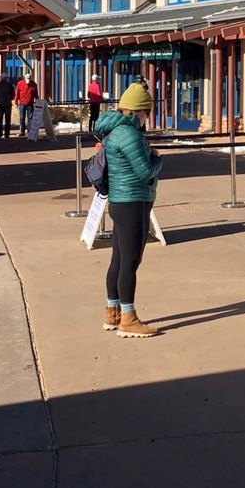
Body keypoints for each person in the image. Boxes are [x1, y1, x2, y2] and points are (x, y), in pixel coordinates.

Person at [93, 82, 163, 338]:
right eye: (146, 112)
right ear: (137, 111)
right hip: (133, 201)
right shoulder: (130, 134)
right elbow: (144, 171)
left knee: (118, 260)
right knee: (130, 262)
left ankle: (112, 312)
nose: (147, 118)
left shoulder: (115, 130)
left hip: (120, 202)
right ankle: (129, 318)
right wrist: (157, 159)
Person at [13, 72, 38, 137]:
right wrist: (16, 102)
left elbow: (36, 94)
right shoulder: (20, 84)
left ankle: (29, 131)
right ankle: (22, 131)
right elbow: (17, 94)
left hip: (30, 103)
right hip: (22, 103)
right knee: (22, 118)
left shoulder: (34, 84)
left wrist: (38, 101)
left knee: (30, 118)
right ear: (24, 78)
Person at [0, 73, 14, 138]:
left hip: (0, 104)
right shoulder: (10, 85)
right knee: (7, 120)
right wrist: (9, 99)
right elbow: (13, 95)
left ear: (1, 78)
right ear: (6, 78)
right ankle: (7, 135)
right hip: (8, 104)